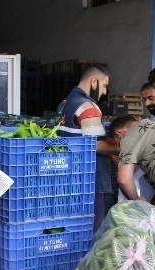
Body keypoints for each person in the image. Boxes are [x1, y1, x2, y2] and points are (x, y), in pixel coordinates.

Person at [57, 64, 120, 231]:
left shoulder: (66, 102)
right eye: (104, 85)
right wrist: (124, 148)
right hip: (89, 179)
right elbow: (97, 145)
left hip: (68, 174)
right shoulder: (88, 107)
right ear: (94, 81)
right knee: (91, 229)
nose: (105, 92)